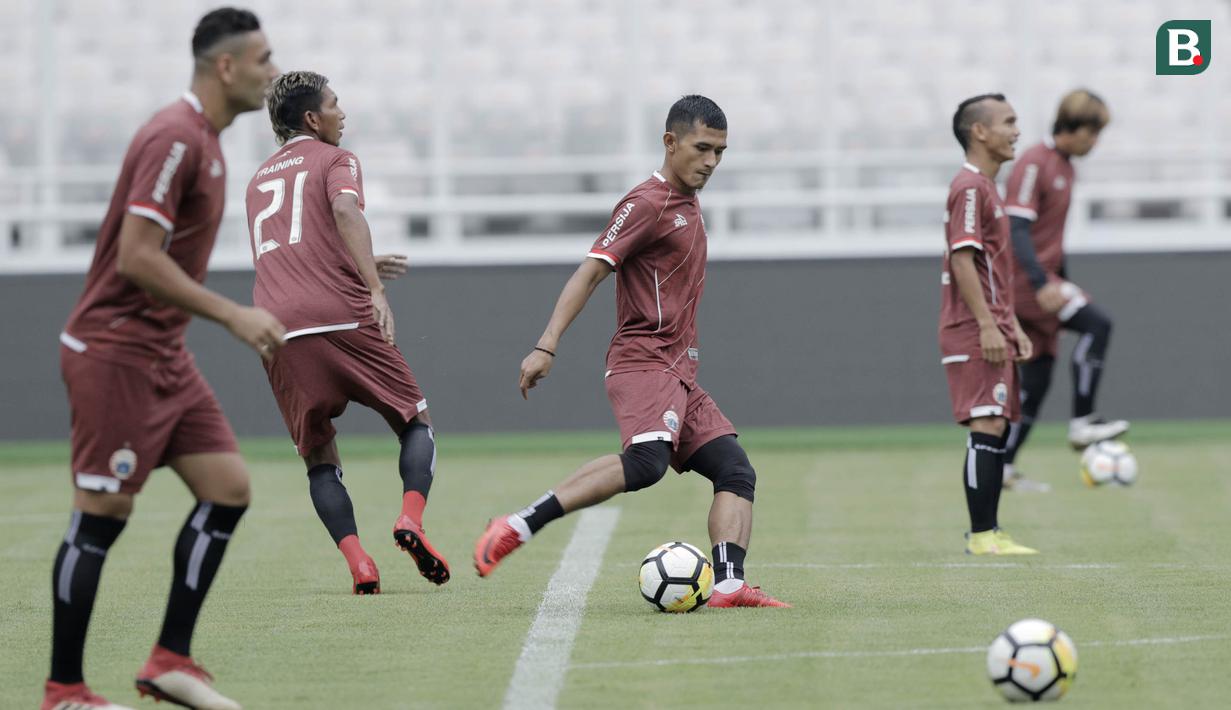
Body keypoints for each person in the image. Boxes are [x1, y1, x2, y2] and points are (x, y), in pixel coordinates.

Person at [47, 8, 281, 710]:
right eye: (264, 59)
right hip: (115, 351)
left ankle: (170, 661)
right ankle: (64, 691)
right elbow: (136, 257)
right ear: (226, 67)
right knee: (104, 509)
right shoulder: (174, 136)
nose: (272, 72)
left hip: (162, 355)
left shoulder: (208, 142)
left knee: (227, 488)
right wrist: (232, 314)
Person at [472, 95, 789, 608]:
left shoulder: (686, 202)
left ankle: (729, 585)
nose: (711, 161)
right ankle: (518, 525)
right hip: (643, 361)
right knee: (646, 464)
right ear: (670, 142)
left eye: (720, 152)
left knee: (734, 470)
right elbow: (590, 272)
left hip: (678, 370)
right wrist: (546, 344)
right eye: (702, 148)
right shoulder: (647, 203)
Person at [246, 71, 449, 595]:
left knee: (318, 456)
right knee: (415, 421)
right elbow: (343, 208)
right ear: (312, 118)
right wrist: (373, 287)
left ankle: (359, 563)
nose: (343, 113)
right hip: (341, 314)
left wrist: (359, 262)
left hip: (275, 328)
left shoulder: (257, 182)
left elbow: (293, 253)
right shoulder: (336, 158)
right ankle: (410, 519)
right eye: (335, 104)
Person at [1002, 90, 1127, 491]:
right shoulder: (1035, 162)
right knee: (1098, 324)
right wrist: (1043, 284)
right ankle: (1083, 420)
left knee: (1036, 381)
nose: (1096, 142)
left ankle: (1003, 468)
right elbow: (1016, 228)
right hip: (1026, 283)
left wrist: (1061, 279)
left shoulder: (1065, 167)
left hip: (1044, 280)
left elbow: (1050, 238)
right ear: (1075, 127)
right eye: (1094, 133)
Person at [940, 94, 1038, 556]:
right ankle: (982, 535)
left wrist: (1011, 323)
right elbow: (962, 259)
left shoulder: (987, 188)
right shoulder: (970, 187)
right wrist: (986, 325)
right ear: (979, 131)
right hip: (971, 326)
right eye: (1008, 122)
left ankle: (991, 531)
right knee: (987, 421)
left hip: (990, 324)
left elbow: (990, 270)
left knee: (996, 424)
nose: (1017, 131)